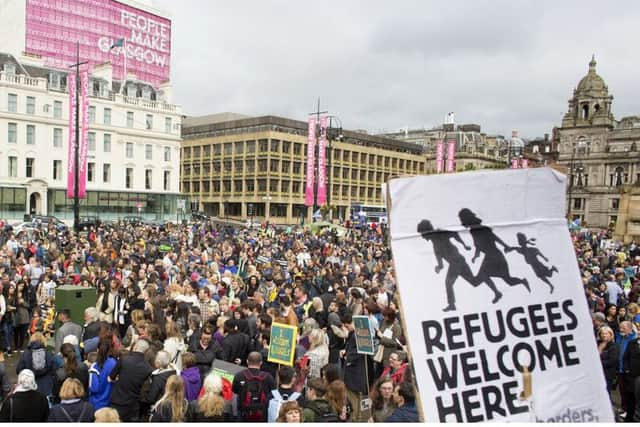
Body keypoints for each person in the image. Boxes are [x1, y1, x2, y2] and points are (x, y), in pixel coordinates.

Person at [108, 338, 153, 422]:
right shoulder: (148, 368)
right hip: (133, 405)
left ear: (135, 347)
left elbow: (111, 377)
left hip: (118, 401)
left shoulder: (124, 359)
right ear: (146, 351)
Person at [232, 351, 276, 422]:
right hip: (262, 416)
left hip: (243, 415)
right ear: (261, 363)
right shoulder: (268, 377)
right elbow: (273, 394)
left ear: (247, 361)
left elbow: (234, 391)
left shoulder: (239, 375)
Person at [16, 331, 55, 397]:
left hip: (30, 387)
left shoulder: (26, 353)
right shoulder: (48, 353)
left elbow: (19, 370)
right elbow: (53, 370)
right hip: (46, 387)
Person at [140, 350, 176, 419]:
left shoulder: (159, 378)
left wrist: (141, 399)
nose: (154, 360)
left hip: (157, 408)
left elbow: (151, 398)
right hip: (168, 407)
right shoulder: (172, 372)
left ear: (159, 362)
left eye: (156, 359)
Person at [88, 335, 117, 410]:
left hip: (96, 405)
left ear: (97, 349)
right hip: (110, 404)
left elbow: (94, 388)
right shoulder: (114, 363)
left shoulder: (94, 367)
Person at [597, 326, 619, 399]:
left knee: (606, 393)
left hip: (608, 374)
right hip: (597, 373)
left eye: (606, 333)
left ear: (611, 334)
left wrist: (598, 364)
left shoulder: (614, 346)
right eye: (602, 333)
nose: (604, 335)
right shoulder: (597, 344)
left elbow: (612, 361)